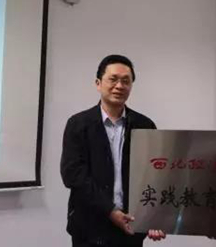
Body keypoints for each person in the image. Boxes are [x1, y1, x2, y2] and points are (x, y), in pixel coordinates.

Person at [60, 54, 166, 247]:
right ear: (98, 83)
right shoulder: (78, 124)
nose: (119, 86)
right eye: (113, 79)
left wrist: (154, 217)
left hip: (131, 228)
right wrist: (110, 211)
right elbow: (73, 175)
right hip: (89, 229)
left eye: (126, 81)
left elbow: (154, 176)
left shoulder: (145, 125)